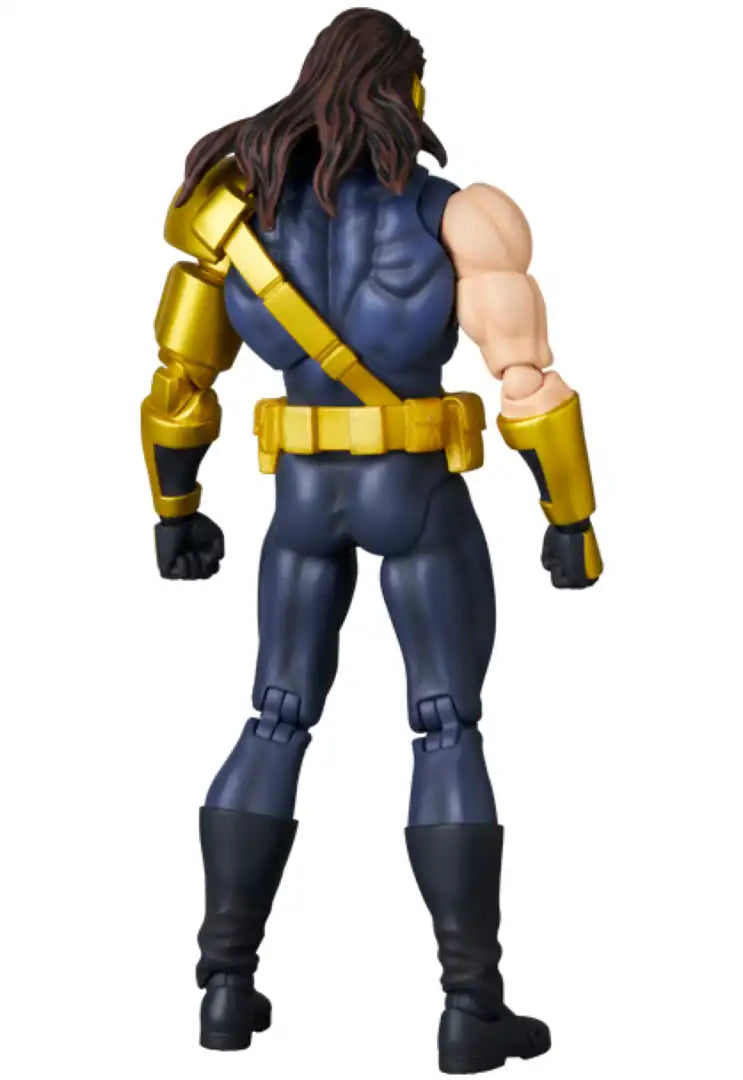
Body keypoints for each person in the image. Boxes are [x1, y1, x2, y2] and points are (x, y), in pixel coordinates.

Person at [141, 8, 602, 1073]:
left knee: (275, 716)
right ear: (407, 92)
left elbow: (179, 383)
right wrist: (568, 517)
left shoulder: (233, 220)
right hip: (416, 496)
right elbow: (525, 381)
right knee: (445, 729)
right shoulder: (462, 215)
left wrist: (174, 507)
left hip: (302, 503)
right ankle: (470, 1005)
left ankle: (224, 987)